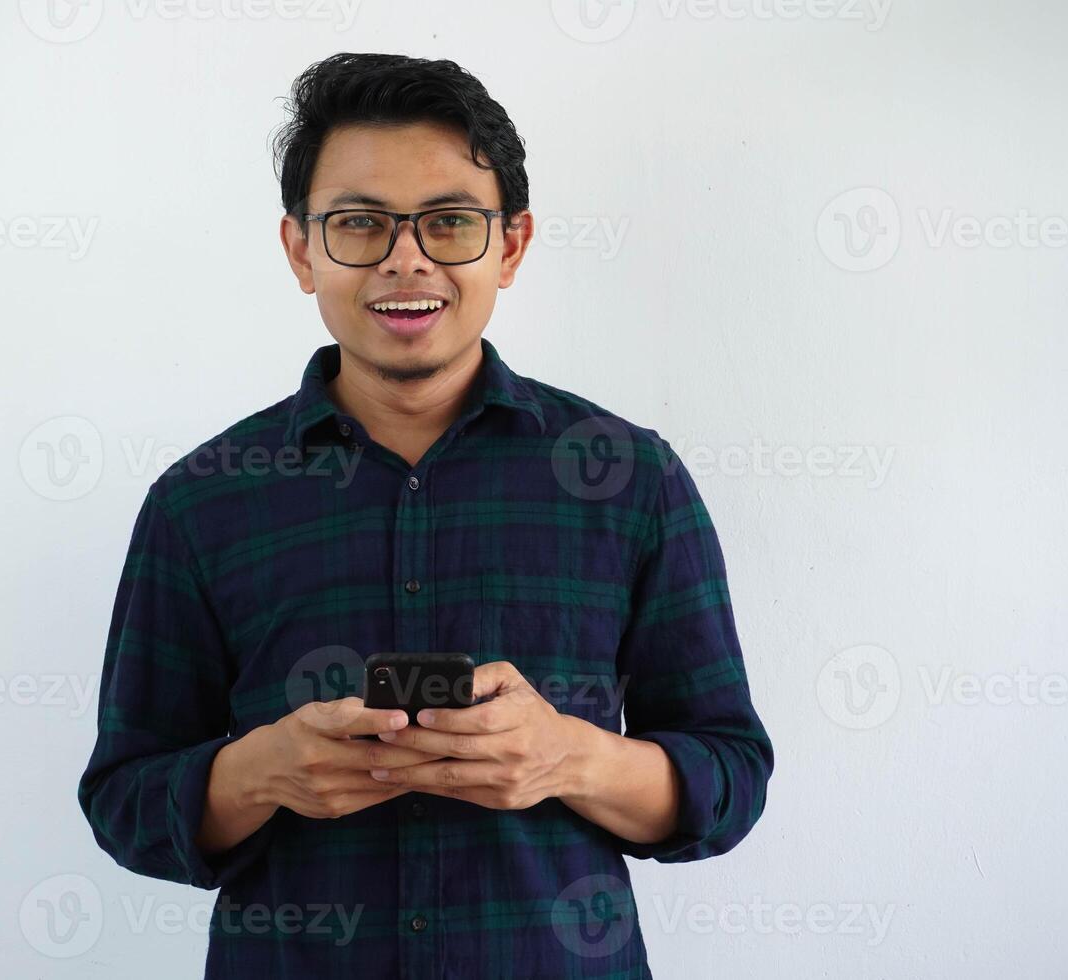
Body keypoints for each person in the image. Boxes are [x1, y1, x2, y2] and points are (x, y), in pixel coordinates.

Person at [78, 51, 773, 979]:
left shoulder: (626, 480)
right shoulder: (202, 501)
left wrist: (566, 758)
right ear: (301, 251)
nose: (406, 259)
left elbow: (730, 779)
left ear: (511, 246)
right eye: (360, 223)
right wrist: (265, 770)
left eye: (449, 222)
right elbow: (126, 800)